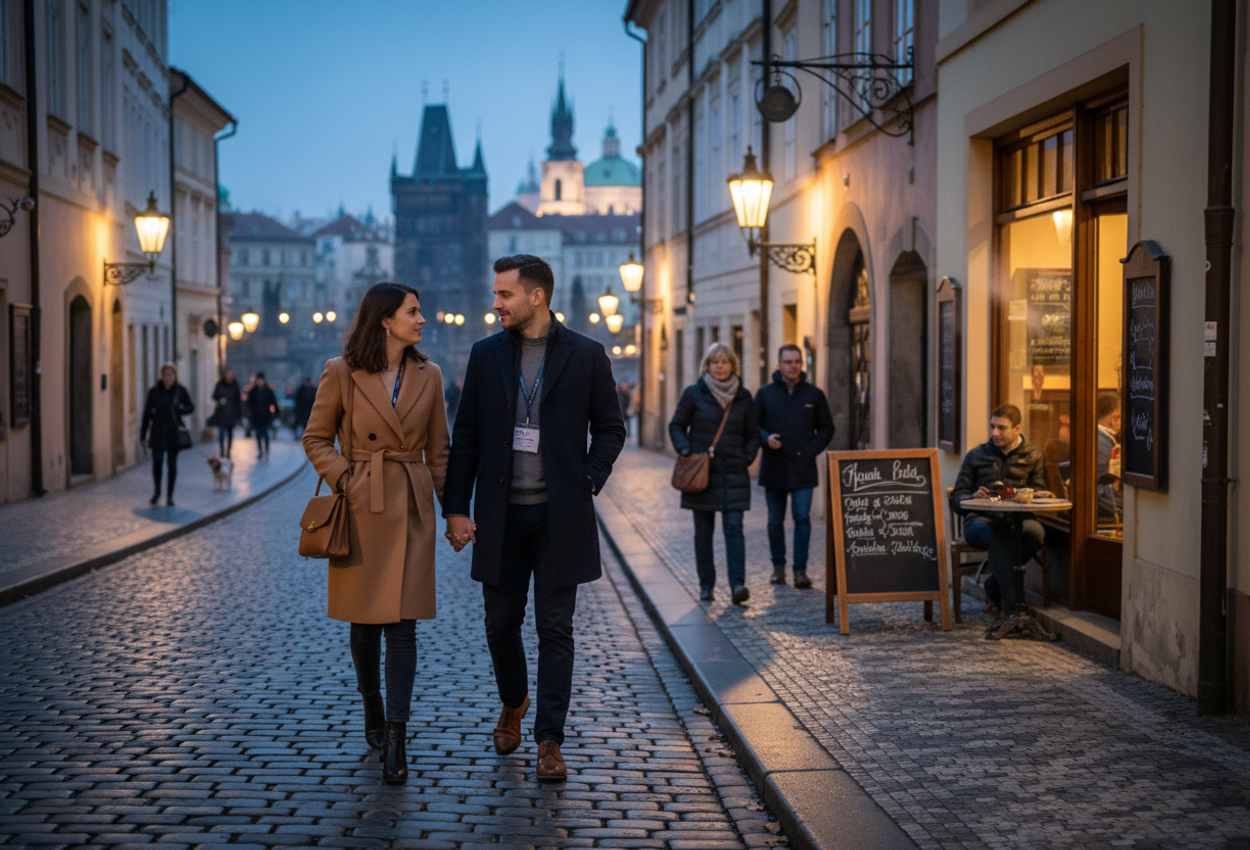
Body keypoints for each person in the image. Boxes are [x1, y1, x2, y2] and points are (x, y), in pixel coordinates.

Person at [443, 254, 625, 782]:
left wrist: (587, 478)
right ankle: (514, 700)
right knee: (500, 625)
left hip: (558, 516)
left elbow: (611, 429)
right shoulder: (486, 355)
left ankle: (550, 740)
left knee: (555, 628)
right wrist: (456, 507)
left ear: (536, 296)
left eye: (504, 295)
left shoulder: (587, 355)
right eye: (496, 294)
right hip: (500, 516)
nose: (495, 304)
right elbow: (468, 437)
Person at [302, 282, 450, 785]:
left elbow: (440, 452)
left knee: (403, 627)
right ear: (385, 320)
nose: (422, 318)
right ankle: (371, 700)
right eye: (413, 311)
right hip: (363, 505)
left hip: (409, 506)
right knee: (364, 624)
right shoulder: (341, 371)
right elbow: (316, 437)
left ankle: (397, 736)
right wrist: (347, 478)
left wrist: (454, 512)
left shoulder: (430, 376)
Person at [669, 342, 760, 605]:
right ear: (706, 365)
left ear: (733, 365)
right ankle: (706, 585)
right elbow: (676, 425)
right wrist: (684, 448)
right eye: (714, 362)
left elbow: (753, 433)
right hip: (702, 474)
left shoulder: (743, 397)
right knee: (703, 532)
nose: (719, 367)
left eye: (725, 362)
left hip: (734, 472)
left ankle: (737, 585)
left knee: (734, 529)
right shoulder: (693, 394)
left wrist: (747, 457)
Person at [949, 404, 1051, 615]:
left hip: (1019, 520)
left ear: (1017, 429)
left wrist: (1029, 494)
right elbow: (957, 498)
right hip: (979, 520)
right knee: (997, 536)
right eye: (992, 427)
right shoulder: (976, 455)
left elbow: (1041, 491)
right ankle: (1013, 607)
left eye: (1001, 428)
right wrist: (973, 497)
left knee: (1036, 533)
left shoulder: (1033, 456)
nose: (995, 433)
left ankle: (993, 587)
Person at [754, 344, 834, 589]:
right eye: (788, 362)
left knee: (802, 518)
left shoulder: (813, 394)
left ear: (802, 364)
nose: (793, 366)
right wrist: (765, 438)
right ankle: (779, 568)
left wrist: (811, 450)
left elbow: (827, 428)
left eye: (797, 361)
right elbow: (751, 427)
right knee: (774, 519)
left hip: (803, 467)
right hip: (774, 466)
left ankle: (801, 570)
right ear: (779, 364)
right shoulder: (765, 394)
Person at [140, 363, 194, 507]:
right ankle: (157, 491)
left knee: (172, 465)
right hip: (157, 431)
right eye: (165, 374)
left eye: (170, 374)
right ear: (161, 376)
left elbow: (190, 407)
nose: (168, 377)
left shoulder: (180, 391)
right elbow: (146, 414)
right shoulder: (154, 392)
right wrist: (143, 434)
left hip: (173, 432)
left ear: (175, 376)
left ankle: (170, 496)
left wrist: (180, 409)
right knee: (157, 462)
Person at [1095, 390, 1123, 520]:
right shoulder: (1101, 443)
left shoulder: (1100, 439)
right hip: (1106, 516)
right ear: (1114, 418)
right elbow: (1102, 490)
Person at [209, 367, 242, 457]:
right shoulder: (220, 385)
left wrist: (239, 414)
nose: (229, 375)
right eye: (227, 373)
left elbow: (238, 400)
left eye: (230, 373)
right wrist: (220, 399)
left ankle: (228, 451)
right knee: (221, 432)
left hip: (232, 413)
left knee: (230, 433)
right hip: (222, 412)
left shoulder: (235, 385)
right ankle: (222, 450)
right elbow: (214, 396)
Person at [246, 372, 278, 459]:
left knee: (266, 435)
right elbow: (249, 404)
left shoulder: (268, 391)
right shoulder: (253, 392)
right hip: (256, 416)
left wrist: (274, 413)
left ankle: (266, 451)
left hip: (265, 416)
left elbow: (273, 402)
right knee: (258, 435)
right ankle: (260, 451)